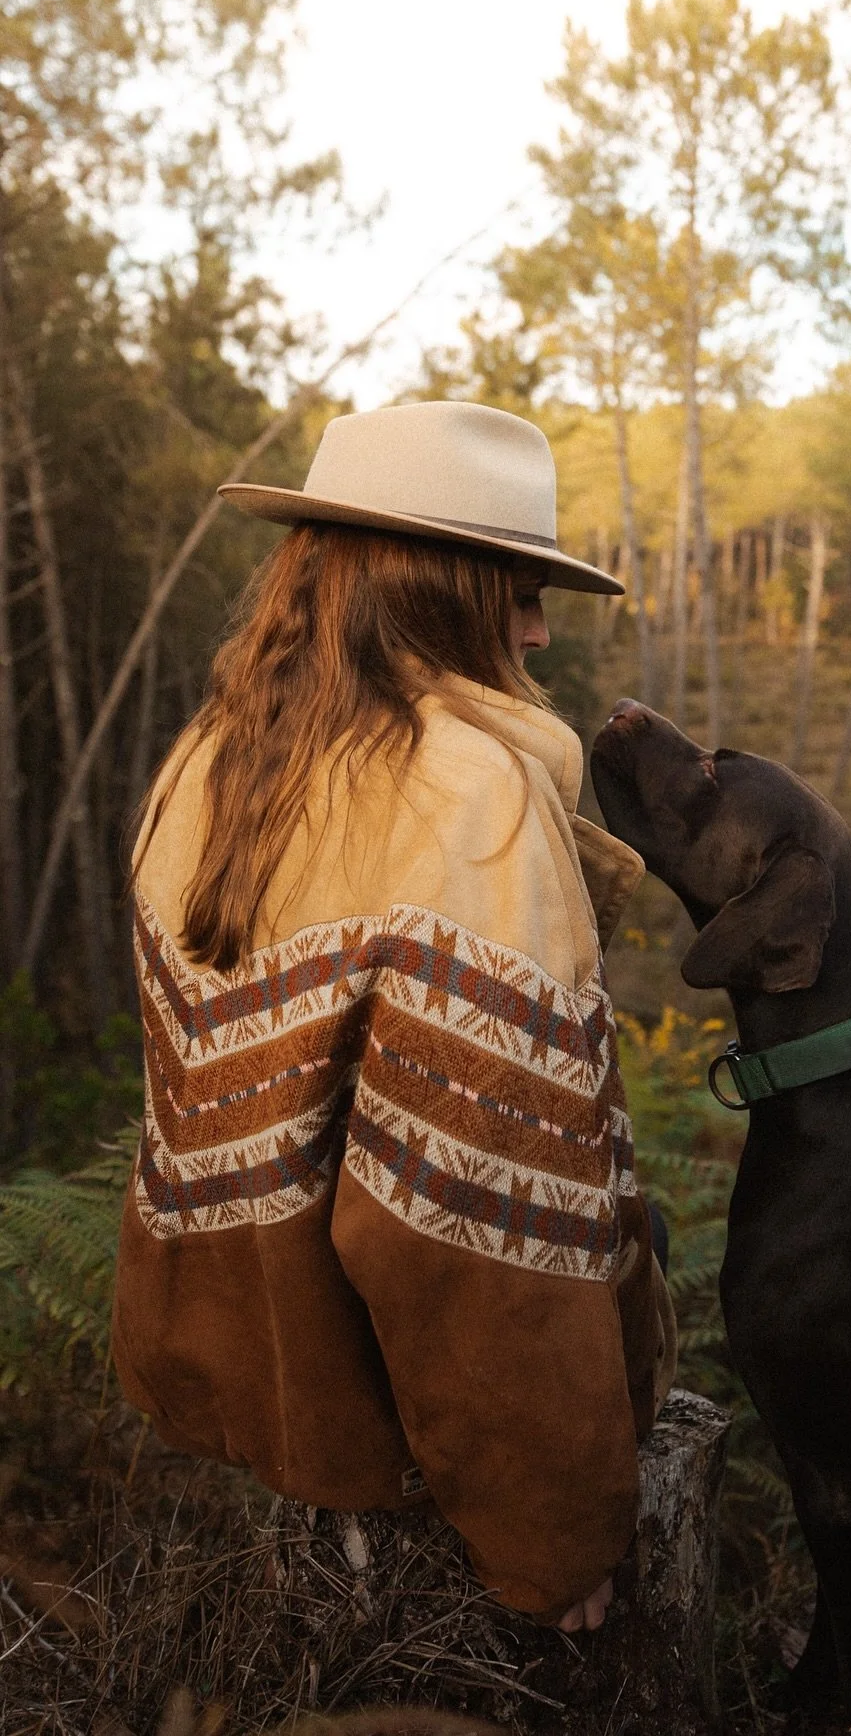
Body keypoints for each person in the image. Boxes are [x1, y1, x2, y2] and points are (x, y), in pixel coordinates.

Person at [113, 400, 676, 1635]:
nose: (536, 629)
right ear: (440, 588)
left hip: (245, 1374)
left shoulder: (205, 760)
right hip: (412, 1443)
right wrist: (551, 1529)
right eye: (519, 591)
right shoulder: (468, 797)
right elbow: (473, 1220)